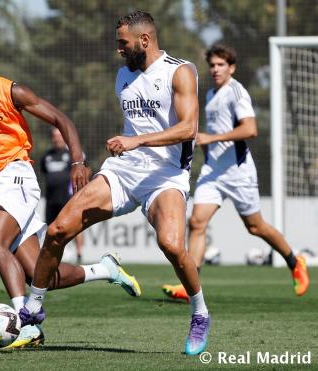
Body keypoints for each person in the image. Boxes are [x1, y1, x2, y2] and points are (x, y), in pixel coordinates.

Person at [0, 32, 141, 349]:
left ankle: (25, 323)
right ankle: (104, 269)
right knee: (37, 273)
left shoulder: (10, 91)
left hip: (14, 175)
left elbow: (61, 118)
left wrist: (78, 161)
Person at [20, 11, 211, 356]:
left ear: (144, 40)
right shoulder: (123, 75)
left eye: (123, 43)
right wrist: (128, 147)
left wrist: (137, 141)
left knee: (170, 244)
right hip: (124, 171)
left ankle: (200, 313)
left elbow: (188, 129)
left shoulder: (179, 71)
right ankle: (32, 311)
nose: (119, 50)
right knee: (57, 230)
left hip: (165, 176)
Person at [162, 44, 310, 301]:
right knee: (196, 222)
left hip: (238, 172)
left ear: (232, 67)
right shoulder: (210, 93)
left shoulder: (237, 92)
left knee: (256, 227)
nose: (216, 69)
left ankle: (294, 261)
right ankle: (190, 287)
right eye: (213, 65)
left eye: (221, 65)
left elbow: (250, 129)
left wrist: (211, 138)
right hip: (213, 171)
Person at [41, 128, 84, 263]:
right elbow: (44, 172)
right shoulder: (47, 156)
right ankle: (51, 255)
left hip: (67, 198)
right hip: (51, 199)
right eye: (54, 136)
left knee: (75, 226)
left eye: (59, 136)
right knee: (51, 227)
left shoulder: (71, 155)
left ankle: (79, 254)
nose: (57, 139)